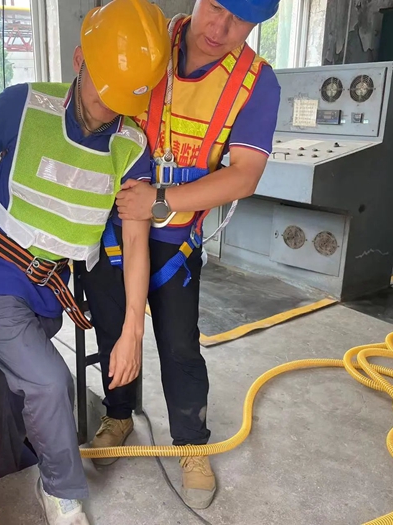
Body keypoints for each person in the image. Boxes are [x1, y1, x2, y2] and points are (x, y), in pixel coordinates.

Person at [0, 1, 170, 523]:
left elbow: (136, 243)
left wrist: (132, 331)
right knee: (48, 382)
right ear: (80, 60)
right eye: (103, 92)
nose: (107, 111)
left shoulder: (131, 147)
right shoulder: (21, 106)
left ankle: (0, 469)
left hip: (46, 290)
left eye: (124, 100)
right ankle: (60, 491)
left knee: (18, 387)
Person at [80, 0, 283, 510]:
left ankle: (191, 442)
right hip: (113, 228)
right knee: (112, 330)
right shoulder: (147, 42)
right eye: (216, 6)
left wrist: (162, 200)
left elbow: (244, 175)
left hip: (174, 241)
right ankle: (119, 415)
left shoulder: (255, 82)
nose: (221, 27)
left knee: (179, 345)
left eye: (241, 20)